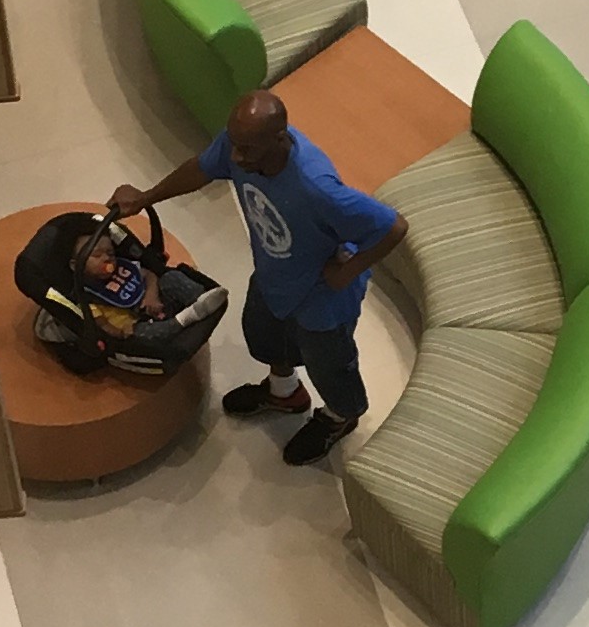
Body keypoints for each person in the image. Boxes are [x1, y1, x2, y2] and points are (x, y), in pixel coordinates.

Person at [108, 89, 408, 465]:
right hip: (275, 275)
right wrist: (146, 197)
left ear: (279, 139)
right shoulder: (242, 145)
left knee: (329, 367)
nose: (235, 157)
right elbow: (201, 168)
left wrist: (345, 273)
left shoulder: (317, 187)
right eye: (234, 145)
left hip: (322, 300)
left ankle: (339, 417)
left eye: (246, 149)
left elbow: (392, 227)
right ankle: (284, 393)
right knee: (265, 336)